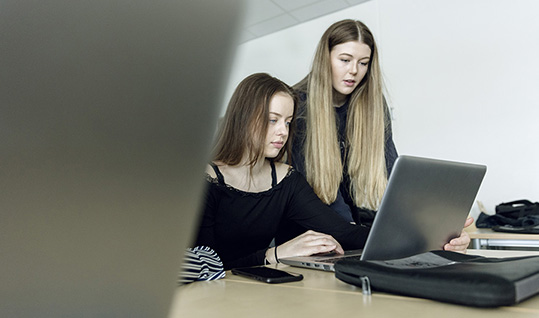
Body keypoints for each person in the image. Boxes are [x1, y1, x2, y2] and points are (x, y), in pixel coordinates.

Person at [278, 19, 472, 251]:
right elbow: (310, 197)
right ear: (325, 58)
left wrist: (437, 226)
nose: (354, 71)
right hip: (306, 239)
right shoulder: (296, 105)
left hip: (351, 234)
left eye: (363, 63)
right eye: (345, 60)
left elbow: (395, 179)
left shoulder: (372, 106)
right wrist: (361, 235)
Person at [193, 73, 370, 270]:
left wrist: (403, 236)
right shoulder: (205, 181)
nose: (283, 131)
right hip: (210, 297)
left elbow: (344, 232)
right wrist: (276, 253)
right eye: (272, 120)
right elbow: (206, 269)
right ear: (243, 118)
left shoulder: (286, 179)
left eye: (287, 122)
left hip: (258, 290)